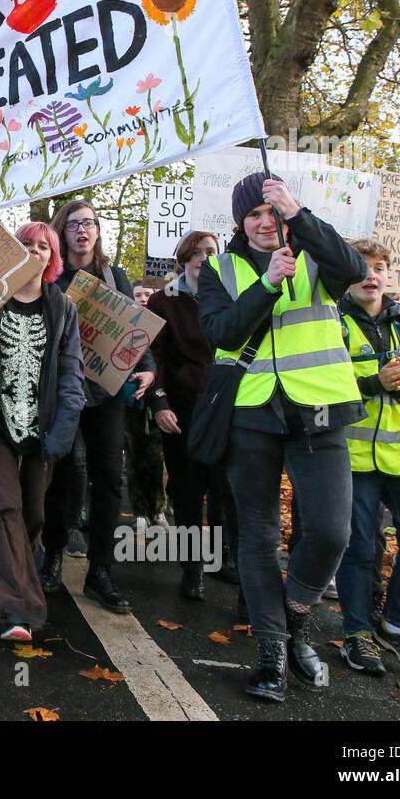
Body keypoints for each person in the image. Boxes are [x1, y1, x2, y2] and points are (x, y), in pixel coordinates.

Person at [198, 171, 367, 703]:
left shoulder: (314, 250)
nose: (266, 223)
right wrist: (267, 284)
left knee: (331, 531)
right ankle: (271, 651)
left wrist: (298, 213)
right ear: (240, 222)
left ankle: (296, 615)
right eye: (255, 215)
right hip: (250, 415)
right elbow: (221, 333)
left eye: (273, 213)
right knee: (258, 537)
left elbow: (355, 268)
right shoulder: (219, 269)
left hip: (318, 407)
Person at [0, 222, 85, 641]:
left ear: (52, 257)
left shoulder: (63, 308)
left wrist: (61, 435)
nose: (34, 251)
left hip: (42, 434)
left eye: (43, 246)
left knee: (30, 517)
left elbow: (71, 378)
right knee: (0, 510)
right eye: (26, 244)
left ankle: (17, 578)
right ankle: (17, 611)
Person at [335, 239, 400, 681]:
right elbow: (329, 384)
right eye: (363, 267)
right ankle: (357, 632)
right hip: (355, 455)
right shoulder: (333, 322)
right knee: (359, 548)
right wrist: (375, 382)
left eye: (380, 267)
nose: (372, 275)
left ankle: (396, 625)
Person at [42, 200, 156, 612]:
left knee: (109, 478)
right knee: (60, 475)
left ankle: (101, 570)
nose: (83, 231)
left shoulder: (113, 275)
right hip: (63, 391)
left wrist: (148, 369)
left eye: (89, 223)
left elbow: (134, 330)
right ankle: (52, 554)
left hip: (106, 392)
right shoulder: (50, 277)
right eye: (74, 225)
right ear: (62, 231)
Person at [145, 230, 236, 601]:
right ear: (183, 259)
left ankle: (220, 557)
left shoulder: (233, 295)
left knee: (225, 488)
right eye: (195, 253)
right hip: (182, 406)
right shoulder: (162, 301)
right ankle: (192, 567)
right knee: (186, 488)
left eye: (211, 251)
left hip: (227, 405)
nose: (203, 258)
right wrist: (159, 402)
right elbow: (154, 357)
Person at [124, 279, 167, 525]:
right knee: (134, 454)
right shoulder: (127, 325)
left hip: (159, 399)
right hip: (132, 399)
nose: (143, 298)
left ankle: (158, 508)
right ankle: (140, 511)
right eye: (138, 294)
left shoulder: (164, 325)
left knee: (157, 456)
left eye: (148, 293)